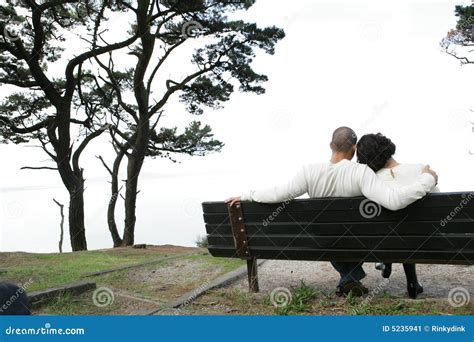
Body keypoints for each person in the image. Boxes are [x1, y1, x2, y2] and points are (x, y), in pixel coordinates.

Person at [226, 126, 438, 296]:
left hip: (322, 242)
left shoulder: (309, 171)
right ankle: (349, 279)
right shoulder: (361, 172)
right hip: (357, 242)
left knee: (330, 231)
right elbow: (393, 201)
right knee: (357, 230)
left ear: (330, 145)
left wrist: (247, 196)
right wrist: (428, 179)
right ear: (354, 149)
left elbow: (278, 194)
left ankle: (348, 278)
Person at [356, 133, 437, 298]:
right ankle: (412, 283)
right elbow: (437, 204)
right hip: (422, 238)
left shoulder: (370, 181)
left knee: (394, 230)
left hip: (383, 241)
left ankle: (387, 260)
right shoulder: (421, 171)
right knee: (407, 229)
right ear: (387, 147)